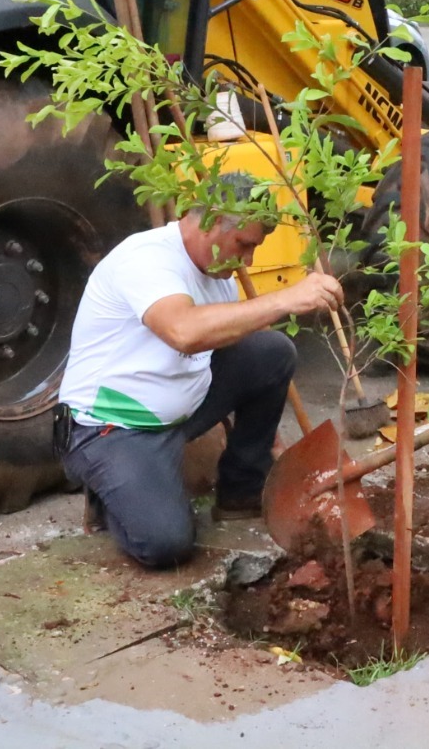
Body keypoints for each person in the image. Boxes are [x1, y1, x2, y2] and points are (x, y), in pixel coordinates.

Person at [56, 174, 344, 568]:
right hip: (112, 427)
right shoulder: (146, 259)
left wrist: (268, 443)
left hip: (176, 410)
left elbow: (222, 350)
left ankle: (242, 489)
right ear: (209, 222)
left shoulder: (217, 274)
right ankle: (112, 496)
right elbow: (183, 331)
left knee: (271, 351)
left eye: (255, 249)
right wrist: (285, 299)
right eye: (244, 245)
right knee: (166, 545)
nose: (248, 261)